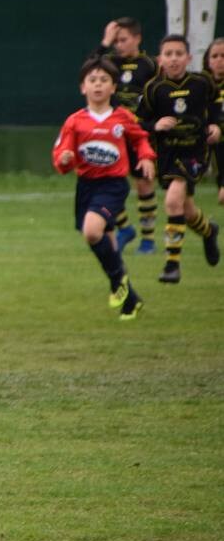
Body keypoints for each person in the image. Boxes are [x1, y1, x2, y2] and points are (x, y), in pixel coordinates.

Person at [53, 57, 156, 320]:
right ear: (82, 88)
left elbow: (141, 139)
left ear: (113, 87)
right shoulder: (74, 121)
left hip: (112, 185)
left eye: (104, 80)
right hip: (86, 186)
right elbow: (62, 153)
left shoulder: (122, 117)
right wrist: (64, 159)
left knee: (91, 231)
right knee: (106, 243)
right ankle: (129, 299)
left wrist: (145, 157)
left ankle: (118, 284)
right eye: (92, 80)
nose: (98, 85)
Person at [135, 34, 222, 283]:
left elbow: (216, 104)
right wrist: (155, 125)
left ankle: (172, 265)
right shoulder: (154, 89)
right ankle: (208, 230)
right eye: (168, 54)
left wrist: (216, 126)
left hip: (194, 152)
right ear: (160, 59)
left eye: (178, 54)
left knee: (173, 202)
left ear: (189, 57)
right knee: (186, 210)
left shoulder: (201, 83)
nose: (174, 59)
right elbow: (139, 123)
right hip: (167, 155)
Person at [97, 17, 159, 253]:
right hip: (112, 133)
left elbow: (158, 96)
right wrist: (105, 42)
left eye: (123, 40)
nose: (118, 45)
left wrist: (151, 126)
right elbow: (89, 68)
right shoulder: (110, 62)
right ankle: (125, 228)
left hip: (138, 133)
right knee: (105, 181)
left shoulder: (150, 65)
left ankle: (148, 239)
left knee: (143, 183)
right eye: (116, 40)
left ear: (137, 39)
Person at [204, 37, 224, 207]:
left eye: (223, 56)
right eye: (215, 56)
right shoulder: (202, 85)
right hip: (214, 143)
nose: (219, 60)